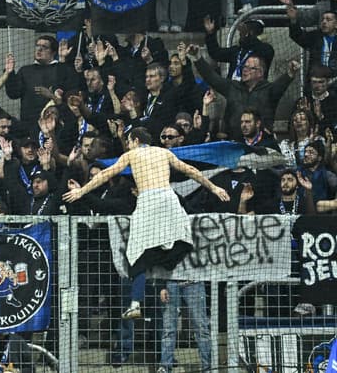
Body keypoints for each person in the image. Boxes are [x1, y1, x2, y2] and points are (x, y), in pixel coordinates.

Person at [65, 127, 229, 319]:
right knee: (181, 240)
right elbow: (190, 170)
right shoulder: (163, 152)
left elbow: (105, 174)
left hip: (148, 201)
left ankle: (136, 303)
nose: (127, 145)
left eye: (128, 141)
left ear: (135, 140)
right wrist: (214, 187)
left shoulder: (132, 154)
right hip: (170, 200)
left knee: (135, 253)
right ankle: (161, 266)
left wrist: (81, 191)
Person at [191, 44, 295, 140]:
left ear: (260, 73)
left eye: (251, 68)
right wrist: (197, 57)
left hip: (260, 145)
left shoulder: (269, 90)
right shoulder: (233, 87)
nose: (245, 70)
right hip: (234, 144)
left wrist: (290, 72)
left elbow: (282, 83)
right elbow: (212, 77)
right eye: (245, 67)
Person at [157, 281, 212, 373]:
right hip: (171, 283)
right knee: (168, 329)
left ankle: (207, 368)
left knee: (201, 329)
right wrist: (161, 286)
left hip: (195, 282)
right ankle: (165, 367)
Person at [204, 17, 274, 80]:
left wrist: (247, 36)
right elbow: (216, 53)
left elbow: (258, 48)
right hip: (233, 90)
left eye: (242, 33)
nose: (240, 36)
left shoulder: (265, 50)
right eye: (241, 34)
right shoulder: (237, 50)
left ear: (251, 33)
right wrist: (210, 34)